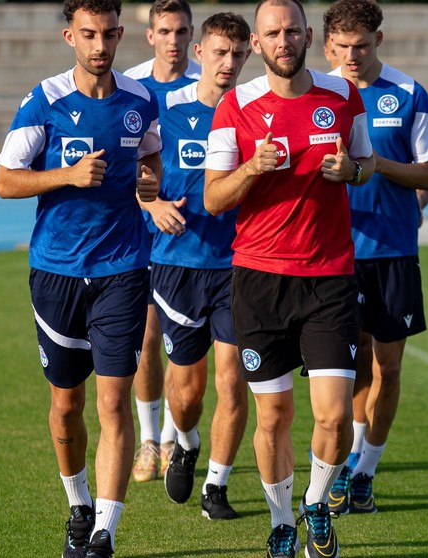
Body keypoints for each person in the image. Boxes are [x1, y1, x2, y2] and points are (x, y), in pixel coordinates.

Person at [203, 0, 375, 555]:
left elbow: (366, 164)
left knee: (332, 418)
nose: (283, 41)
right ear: (257, 43)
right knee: (273, 416)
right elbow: (211, 198)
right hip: (259, 280)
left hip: (329, 278)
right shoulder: (235, 105)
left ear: (308, 36)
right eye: (272, 33)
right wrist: (253, 166)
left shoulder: (344, 96)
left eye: (292, 31)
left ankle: (316, 505)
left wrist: (351, 171)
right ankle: (281, 522)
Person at [0, 0, 163, 556]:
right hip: (57, 272)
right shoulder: (43, 101)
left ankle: (103, 534)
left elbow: (151, 160)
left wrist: (148, 185)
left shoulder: (140, 100)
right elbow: (4, 181)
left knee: (114, 404)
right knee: (66, 405)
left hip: (123, 271)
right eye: (89, 35)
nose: (100, 46)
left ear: (120, 36)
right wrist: (66, 175)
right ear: (70, 35)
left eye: (110, 35)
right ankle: (78, 503)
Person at [322, 0, 428, 516]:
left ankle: (366, 471)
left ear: (379, 41)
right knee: (347, 370)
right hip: (331, 254)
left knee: (387, 368)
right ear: (328, 44)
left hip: (392, 251)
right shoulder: (319, 93)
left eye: (362, 45)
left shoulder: (409, 93)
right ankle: (345, 463)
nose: (353, 55)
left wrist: (373, 166)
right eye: (343, 46)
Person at [141, 11, 253, 520]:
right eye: (219, 52)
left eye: (237, 54)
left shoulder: (254, 111)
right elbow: (139, 174)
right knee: (186, 393)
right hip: (177, 265)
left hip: (238, 264)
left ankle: (217, 486)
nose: (228, 63)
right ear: (200, 52)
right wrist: (151, 205)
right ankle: (183, 442)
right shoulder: (165, 107)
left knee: (232, 380)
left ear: (248, 54)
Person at [123, 0, 202, 483]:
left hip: (193, 240)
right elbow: (119, 161)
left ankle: (175, 437)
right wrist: (150, 204)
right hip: (138, 235)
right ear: (150, 35)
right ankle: (149, 440)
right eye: (164, 31)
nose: (173, 40)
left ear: (191, 36)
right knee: (147, 340)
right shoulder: (131, 87)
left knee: (181, 348)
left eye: (181, 31)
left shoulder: (206, 85)